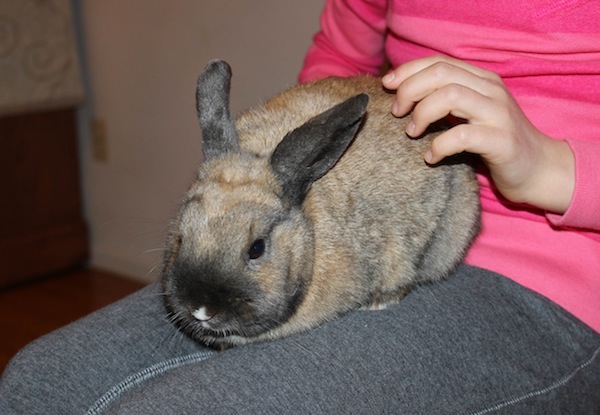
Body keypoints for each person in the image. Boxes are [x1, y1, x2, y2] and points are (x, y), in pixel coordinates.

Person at [1, 0, 599, 413]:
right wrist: (268, 164)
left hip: (557, 276)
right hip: (314, 210)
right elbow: (341, 53)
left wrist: (553, 168)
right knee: (37, 384)